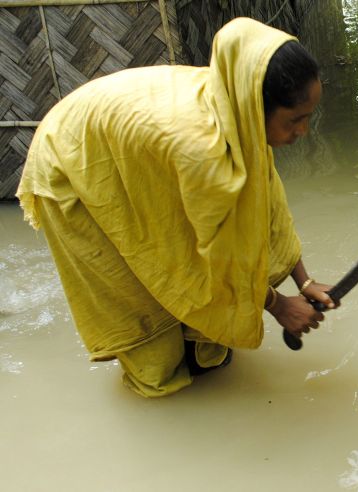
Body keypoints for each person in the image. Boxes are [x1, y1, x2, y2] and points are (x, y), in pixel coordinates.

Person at [15, 18, 337, 397]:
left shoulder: (238, 111)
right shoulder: (201, 150)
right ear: (256, 104)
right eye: (294, 120)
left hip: (131, 146)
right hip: (75, 165)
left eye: (307, 118)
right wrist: (279, 305)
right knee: (148, 323)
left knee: (204, 326)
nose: (302, 132)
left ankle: (198, 344)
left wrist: (305, 281)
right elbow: (215, 256)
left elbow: (267, 208)